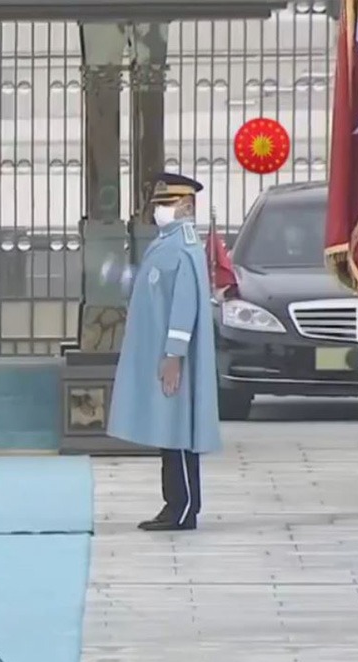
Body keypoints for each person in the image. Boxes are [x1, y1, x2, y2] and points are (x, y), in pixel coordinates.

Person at [107, 172, 221, 532]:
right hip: (163, 354)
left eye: (167, 204)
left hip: (174, 358)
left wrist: (173, 354)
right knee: (169, 433)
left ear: (186, 206)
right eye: (157, 204)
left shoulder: (182, 248)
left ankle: (183, 508)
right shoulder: (166, 243)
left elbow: (184, 306)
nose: (159, 211)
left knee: (178, 432)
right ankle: (175, 504)